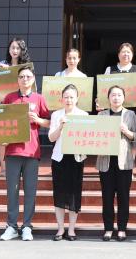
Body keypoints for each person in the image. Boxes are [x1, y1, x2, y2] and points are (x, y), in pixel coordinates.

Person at [0, 64, 51, 242]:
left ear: (33, 79)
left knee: (30, 191)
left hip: (32, 152)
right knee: (12, 191)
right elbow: (1, 122)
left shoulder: (39, 98)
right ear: (17, 80)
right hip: (12, 151)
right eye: (21, 77)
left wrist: (38, 120)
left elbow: (50, 122)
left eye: (28, 76)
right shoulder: (9, 98)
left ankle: (27, 226)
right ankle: (12, 226)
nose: (25, 79)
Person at [96, 85, 136, 242]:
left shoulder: (130, 114)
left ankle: (122, 228)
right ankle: (108, 228)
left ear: (124, 97)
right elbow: (94, 136)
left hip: (124, 162)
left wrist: (126, 131)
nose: (116, 98)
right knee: (107, 197)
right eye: (113, 95)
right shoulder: (101, 115)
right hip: (105, 161)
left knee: (123, 197)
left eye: (119, 95)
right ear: (108, 98)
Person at [47, 84, 89, 241]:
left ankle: (71, 229)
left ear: (77, 99)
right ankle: (60, 229)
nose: (69, 100)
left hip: (76, 158)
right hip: (59, 158)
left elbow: (88, 138)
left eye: (72, 97)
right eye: (66, 97)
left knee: (74, 194)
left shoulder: (83, 115)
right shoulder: (56, 115)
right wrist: (60, 126)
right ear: (61, 99)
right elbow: (51, 138)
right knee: (59, 193)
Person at [0, 38, 31, 176]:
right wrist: (0, 72)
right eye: (12, 48)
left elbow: (31, 84)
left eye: (18, 48)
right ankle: (3, 168)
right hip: (5, 103)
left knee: (20, 134)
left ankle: (20, 168)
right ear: (9, 49)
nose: (15, 50)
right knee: (2, 136)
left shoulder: (26, 67)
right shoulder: (3, 64)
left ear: (22, 50)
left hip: (20, 103)